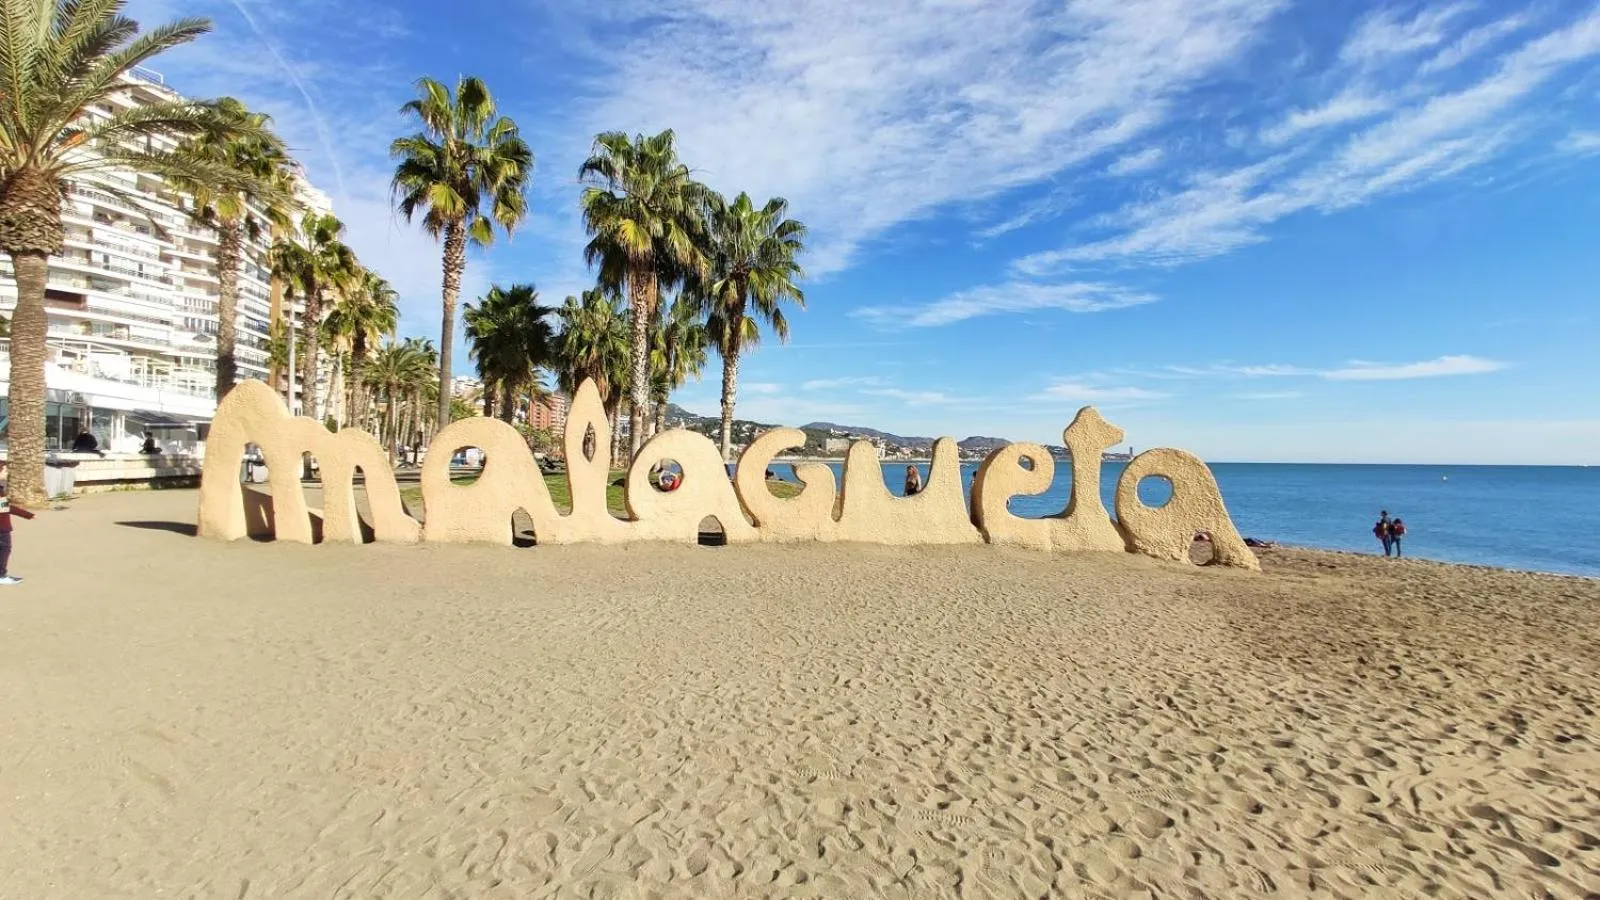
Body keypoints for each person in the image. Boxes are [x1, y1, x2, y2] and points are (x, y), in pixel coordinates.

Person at [0, 469, 36, 585]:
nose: (6, 472)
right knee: (5, 549)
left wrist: (28, 515)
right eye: (4, 469)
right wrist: (28, 515)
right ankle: (1, 575)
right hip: (2, 528)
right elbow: (5, 507)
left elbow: (5, 507)